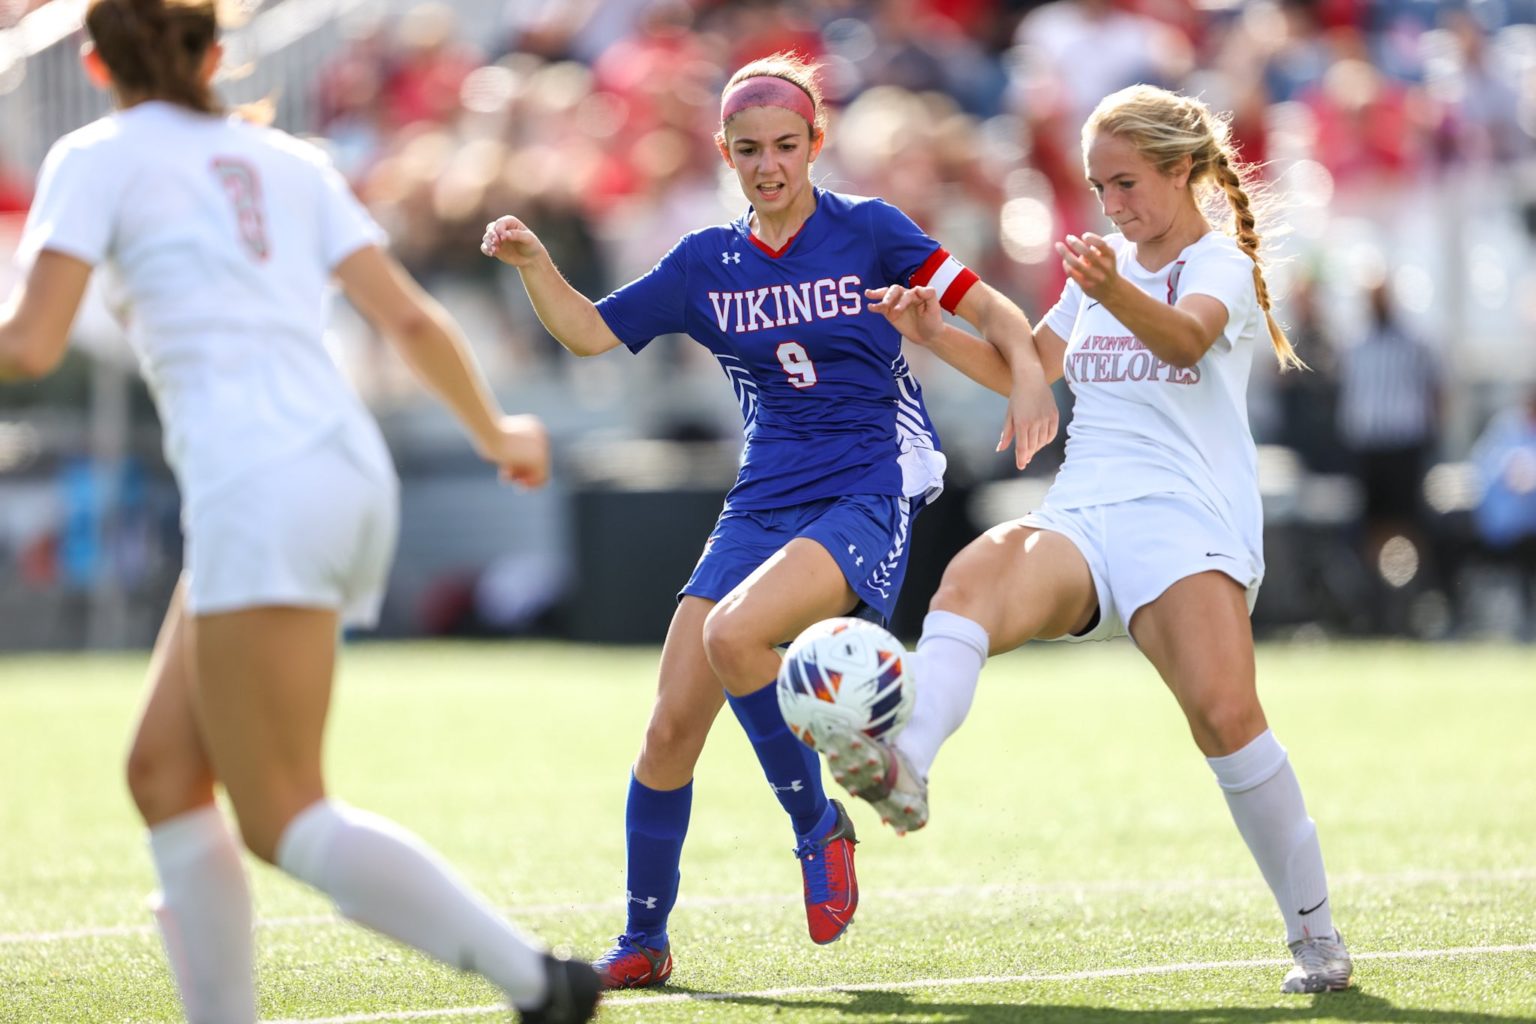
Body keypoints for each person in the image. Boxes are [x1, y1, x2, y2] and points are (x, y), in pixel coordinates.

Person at [0, 2, 600, 1021]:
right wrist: (498, 432)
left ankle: (539, 981)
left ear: (97, 63)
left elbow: (28, 346)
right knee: (162, 772)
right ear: (217, 54)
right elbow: (408, 314)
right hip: (335, 467)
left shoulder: (93, 154)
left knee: (282, 816)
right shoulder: (288, 161)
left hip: (257, 483)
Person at [482, 51, 1057, 989]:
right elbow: (589, 332)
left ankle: (815, 828)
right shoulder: (706, 262)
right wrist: (536, 264)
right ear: (725, 153)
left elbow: (990, 308)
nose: (769, 166)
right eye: (748, 150)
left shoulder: (870, 231)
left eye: (786, 146)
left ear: (816, 145)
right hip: (762, 497)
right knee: (670, 726)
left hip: (866, 490)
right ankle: (644, 941)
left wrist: (1028, 376)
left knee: (737, 635)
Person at [811, 83, 1355, 995]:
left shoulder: (1214, 263)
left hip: (1187, 521)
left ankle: (1316, 938)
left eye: (1129, 183)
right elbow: (1025, 364)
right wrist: (931, 330)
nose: (1113, 206)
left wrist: (1111, 286)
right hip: (1087, 510)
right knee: (973, 575)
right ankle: (905, 765)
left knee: (1226, 722)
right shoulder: (1100, 265)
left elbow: (1185, 342)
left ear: (1184, 173)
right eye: (1100, 188)